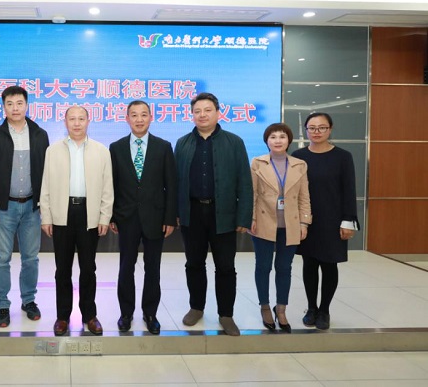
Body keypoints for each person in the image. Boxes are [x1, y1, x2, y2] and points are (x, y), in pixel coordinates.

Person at [174, 92, 253, 336]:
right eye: (197, 111)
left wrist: (243, 217)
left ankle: (226, 314)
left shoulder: (234, 142)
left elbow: (245, 182)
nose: (202, 115)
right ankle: (196, 307)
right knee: (194, 263)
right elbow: (176, 182)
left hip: (224, 213)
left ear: (218, 113)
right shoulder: (183, 143)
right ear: (192, 114)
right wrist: (176, 212)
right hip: (192, 212)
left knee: (226, 266)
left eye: (207, 110)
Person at [0, 86, 49, 328]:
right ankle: (2, 305)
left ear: (27, 105)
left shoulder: (40, 134)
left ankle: (29, 300)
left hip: (31, 207)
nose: (15, 108)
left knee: (31, 258)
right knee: (1, 259)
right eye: (10, 104)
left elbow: (46, 172)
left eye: (19, 103)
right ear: (3, 107)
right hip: (3, 208)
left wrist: (44, 204)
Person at [40, 105, 113, 336]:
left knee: (88, 268)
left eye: (81, 118)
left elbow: (107, 187)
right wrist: (46, 216)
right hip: (62, 213)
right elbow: (45, 186)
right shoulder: (53, 151)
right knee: (62, 269)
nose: (77, 123)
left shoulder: (101, 151)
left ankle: (89, 315)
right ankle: (62, 317)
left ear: (88, 121)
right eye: (72, 119)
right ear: (65, 122)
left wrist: (104, 216)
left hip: (89, 214)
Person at [109, 100, 177, 335]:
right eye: (134, 115)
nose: (139, 119)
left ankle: (150, 313)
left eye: (144, 115)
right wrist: (112, 216)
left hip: (155, 217)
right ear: (127, 118)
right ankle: (126, 313)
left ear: (151, 117)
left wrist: (170, 218)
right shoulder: (116, 147)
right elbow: (112, 184)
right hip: (126, 217)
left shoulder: (163, 147)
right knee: (126, 267)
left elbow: (171, 185)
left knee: (153, 268)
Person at [292, 112, 360, 330]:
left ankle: (325, 310)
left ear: (330, 129)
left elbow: (349, 190)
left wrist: (348, 220)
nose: (317, 132)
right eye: (312, 128)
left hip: (333, 219)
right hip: (307, 220)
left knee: (329, 265)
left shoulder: (342, 156)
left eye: (322, 127)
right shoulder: (298, 156)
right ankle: (311, 308)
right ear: (306, 130)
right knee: (309, 264)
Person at [249, 122, 312, 333]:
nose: (278, 140)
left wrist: (304, 221)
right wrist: (251, 218)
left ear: (289, 140)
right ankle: (265, 306)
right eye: (273, 137)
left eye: (282, 137)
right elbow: (252, 194)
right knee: (263, 266)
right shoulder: (257, 163)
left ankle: (281, 308)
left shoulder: (299, 165)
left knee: (285, 268)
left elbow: (304, 196)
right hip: (263, 221)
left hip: (290, 224)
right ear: (267, 141)